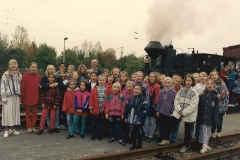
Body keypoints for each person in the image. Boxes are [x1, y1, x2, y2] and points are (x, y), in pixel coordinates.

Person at [172, 74, 199, 153]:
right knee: (172, 123)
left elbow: (193, 105)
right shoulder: (181, 90)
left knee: (188, 130)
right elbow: (176, 100)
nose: (188, 82)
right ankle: (169, 139)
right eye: (187, 80)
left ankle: (185, 145)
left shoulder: (194, 92)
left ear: (192, 82)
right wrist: (179, 110)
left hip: (189, 114)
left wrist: (184, 112)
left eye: (190, 81)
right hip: (179, 112)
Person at [196, 78, 219, 154]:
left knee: (207, 130)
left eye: (211, 84)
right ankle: (204, 144)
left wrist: (215, 118)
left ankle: (205, 145)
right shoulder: (203, 94)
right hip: (202, 115)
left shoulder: (215, 95)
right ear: (206, 85)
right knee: (202, 129)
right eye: (208, 83)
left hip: (209, 116)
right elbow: (199, 104)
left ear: (214, 85)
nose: (209, 85)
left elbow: (216, 108)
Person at [39, 65, 64, 133]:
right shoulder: (44, 78)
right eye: (49, 69)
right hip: (46, 101)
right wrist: (49, 85)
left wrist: (57, 84)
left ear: (54, 70)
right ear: (47, 70)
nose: (51, 70)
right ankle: (48, 126)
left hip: (54, 101)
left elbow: (62, 86)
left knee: (55, 115)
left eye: (52, 69)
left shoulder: (57, 78)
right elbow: (41, 87)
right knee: (46, 115)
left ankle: (54, 127)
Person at [1, 59, 22, 138]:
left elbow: (20, 86)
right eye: (11, 64)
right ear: (9, 65)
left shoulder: (19, 74)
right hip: (8, 96)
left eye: (15, 64)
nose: (13, 65)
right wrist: (4, 97)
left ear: (17, 65)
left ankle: (12, 129)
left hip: (16, 96)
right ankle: (6, 130)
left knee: (14, 112)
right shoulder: (6, 74)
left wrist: (20, 96)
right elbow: (2, 86)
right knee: (7, 112)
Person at [124, 84, 149, 150]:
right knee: (132, 133)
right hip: (131, 120)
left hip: (139, 120)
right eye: (135, 89)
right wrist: (126, 117)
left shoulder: (143, 99)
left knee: (138, 133)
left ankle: (139, 145)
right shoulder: (131, 98)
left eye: (138, 89)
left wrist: (140, 117)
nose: (136, 90)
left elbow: (145, 110)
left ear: (141, 90)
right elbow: (127, 108)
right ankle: (134, 144)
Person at [89, 74, 111, 140]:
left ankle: (100, 134)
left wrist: (107, 109)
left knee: (102, 123)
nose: (101, 81)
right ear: (98, 81)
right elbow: (91, 98)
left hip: (103, 109)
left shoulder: (108, 89)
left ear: (105, 81)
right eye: (100, 80)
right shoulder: (95, 89)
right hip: (96, 108)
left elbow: (109, 100)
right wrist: (91, 107)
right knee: (95, 123)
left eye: (103, 80)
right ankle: (94, 134)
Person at [21, 62, 41, 133]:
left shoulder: (38, 76)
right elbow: (23, 87)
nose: (34, 69)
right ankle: (29, 126)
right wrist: (22, 98)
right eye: (32, 67)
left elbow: (39, 88)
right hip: (27, 98)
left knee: (35, 114)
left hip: (35, 98)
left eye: (35, 67)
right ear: (29, 68)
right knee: (28, 114)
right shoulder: (25, 76)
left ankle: (33, 126)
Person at [156, 77, 176, 145]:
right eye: (166, 83)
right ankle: (162, 138)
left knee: (168, 126)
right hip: (162, 111)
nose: (167, 84)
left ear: (171, 83)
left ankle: (166, 139)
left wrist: (172, 111)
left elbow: (174, 102)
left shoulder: (173, 92)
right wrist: (157, 110)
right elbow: (159, 101)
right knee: (162, 126)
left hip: (168, 112)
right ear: (163, 83)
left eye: (169, 83)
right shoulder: (162, 91)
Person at [210, 70, 229, 138]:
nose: (214, 76)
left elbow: (226, 93)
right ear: (210, 76)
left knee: (219, 119)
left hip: (221, 104)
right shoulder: (210, 83)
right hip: (213, 104)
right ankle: (212, 132)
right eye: (212, 75)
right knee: (213, 119)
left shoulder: (222, 83)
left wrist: (220, 95)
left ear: (218, 75)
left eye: (215, 75)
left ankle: (219, 131)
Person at [143, 72, 160, 142]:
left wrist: (156, 107)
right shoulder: (145, 86)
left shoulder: (157, 86)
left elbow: (158, 97)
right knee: (145, 122)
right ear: (149, 78)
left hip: (153, 106)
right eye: (150, 77)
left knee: (152, 123)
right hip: (146, 105)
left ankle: (150, 135)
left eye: (153, 77)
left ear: (155, 78)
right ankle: (146, 134)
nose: (152, 78)